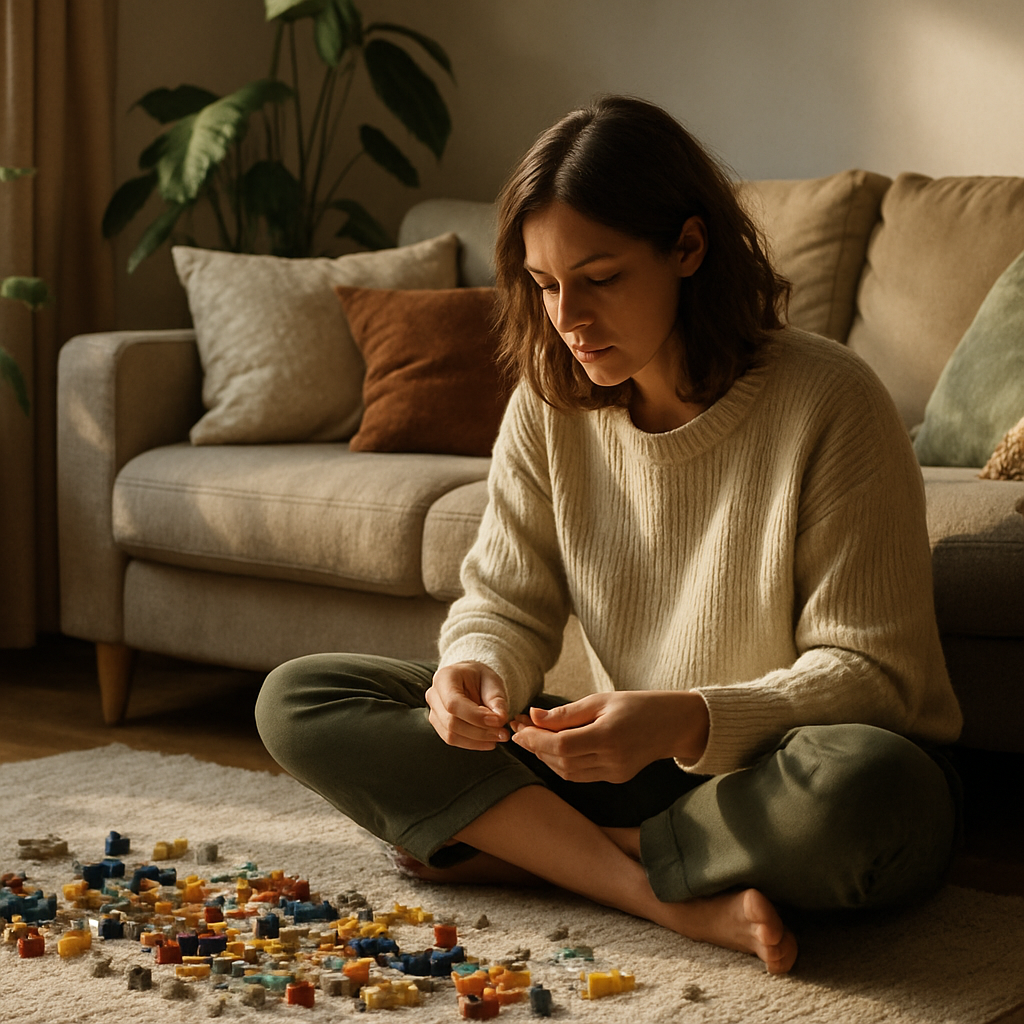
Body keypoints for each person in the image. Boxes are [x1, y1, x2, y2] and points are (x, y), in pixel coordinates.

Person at [255, 95, 963, 974]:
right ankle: (647, 885)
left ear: (689, 251)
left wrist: (687, 718)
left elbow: (874, 677)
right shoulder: (549, 403)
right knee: (302, 697)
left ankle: (536, 851)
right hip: (613, 767)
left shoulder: (832, 402)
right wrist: (476, 670)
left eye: (600, 277)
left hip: (768, 771)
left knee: (876, 798)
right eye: (545, 285)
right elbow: (505, 600)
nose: (567, 318)